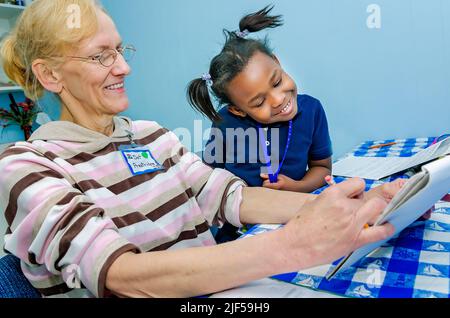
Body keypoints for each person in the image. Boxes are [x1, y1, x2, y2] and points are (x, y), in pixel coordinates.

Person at [0, 0, 401, 298]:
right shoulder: (25, 166)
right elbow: (119, 274)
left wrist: (353, 203)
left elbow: (232, 197)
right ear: (50, 74)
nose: (124, 67)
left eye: (120, 50)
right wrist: (292, 246)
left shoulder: (152, 136)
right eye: (100, 56)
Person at [187, 6, 332, 193]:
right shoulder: (224, 122)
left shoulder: (312, 110)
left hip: (296, 206)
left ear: (277, 61)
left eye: (277, 81)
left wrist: (296, 187)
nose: (278, 99)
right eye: (259, 102)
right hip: (242, 216)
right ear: (237, 110)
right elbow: (211, 176)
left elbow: (322, 168)